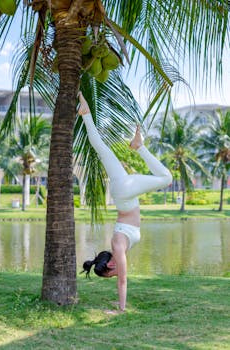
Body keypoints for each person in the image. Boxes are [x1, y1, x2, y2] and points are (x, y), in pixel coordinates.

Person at [78, 91, 172, 313]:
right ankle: (85, 114)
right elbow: (121, 276)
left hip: (126, 193)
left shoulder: (118, 248)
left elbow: (123, 280)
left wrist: (120, 309)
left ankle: (139, 147)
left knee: (167, 179)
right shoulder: (117, 247)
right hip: (123, 193)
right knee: (102, 150)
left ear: (111, 265)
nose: (115, 275)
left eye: (110, 274)